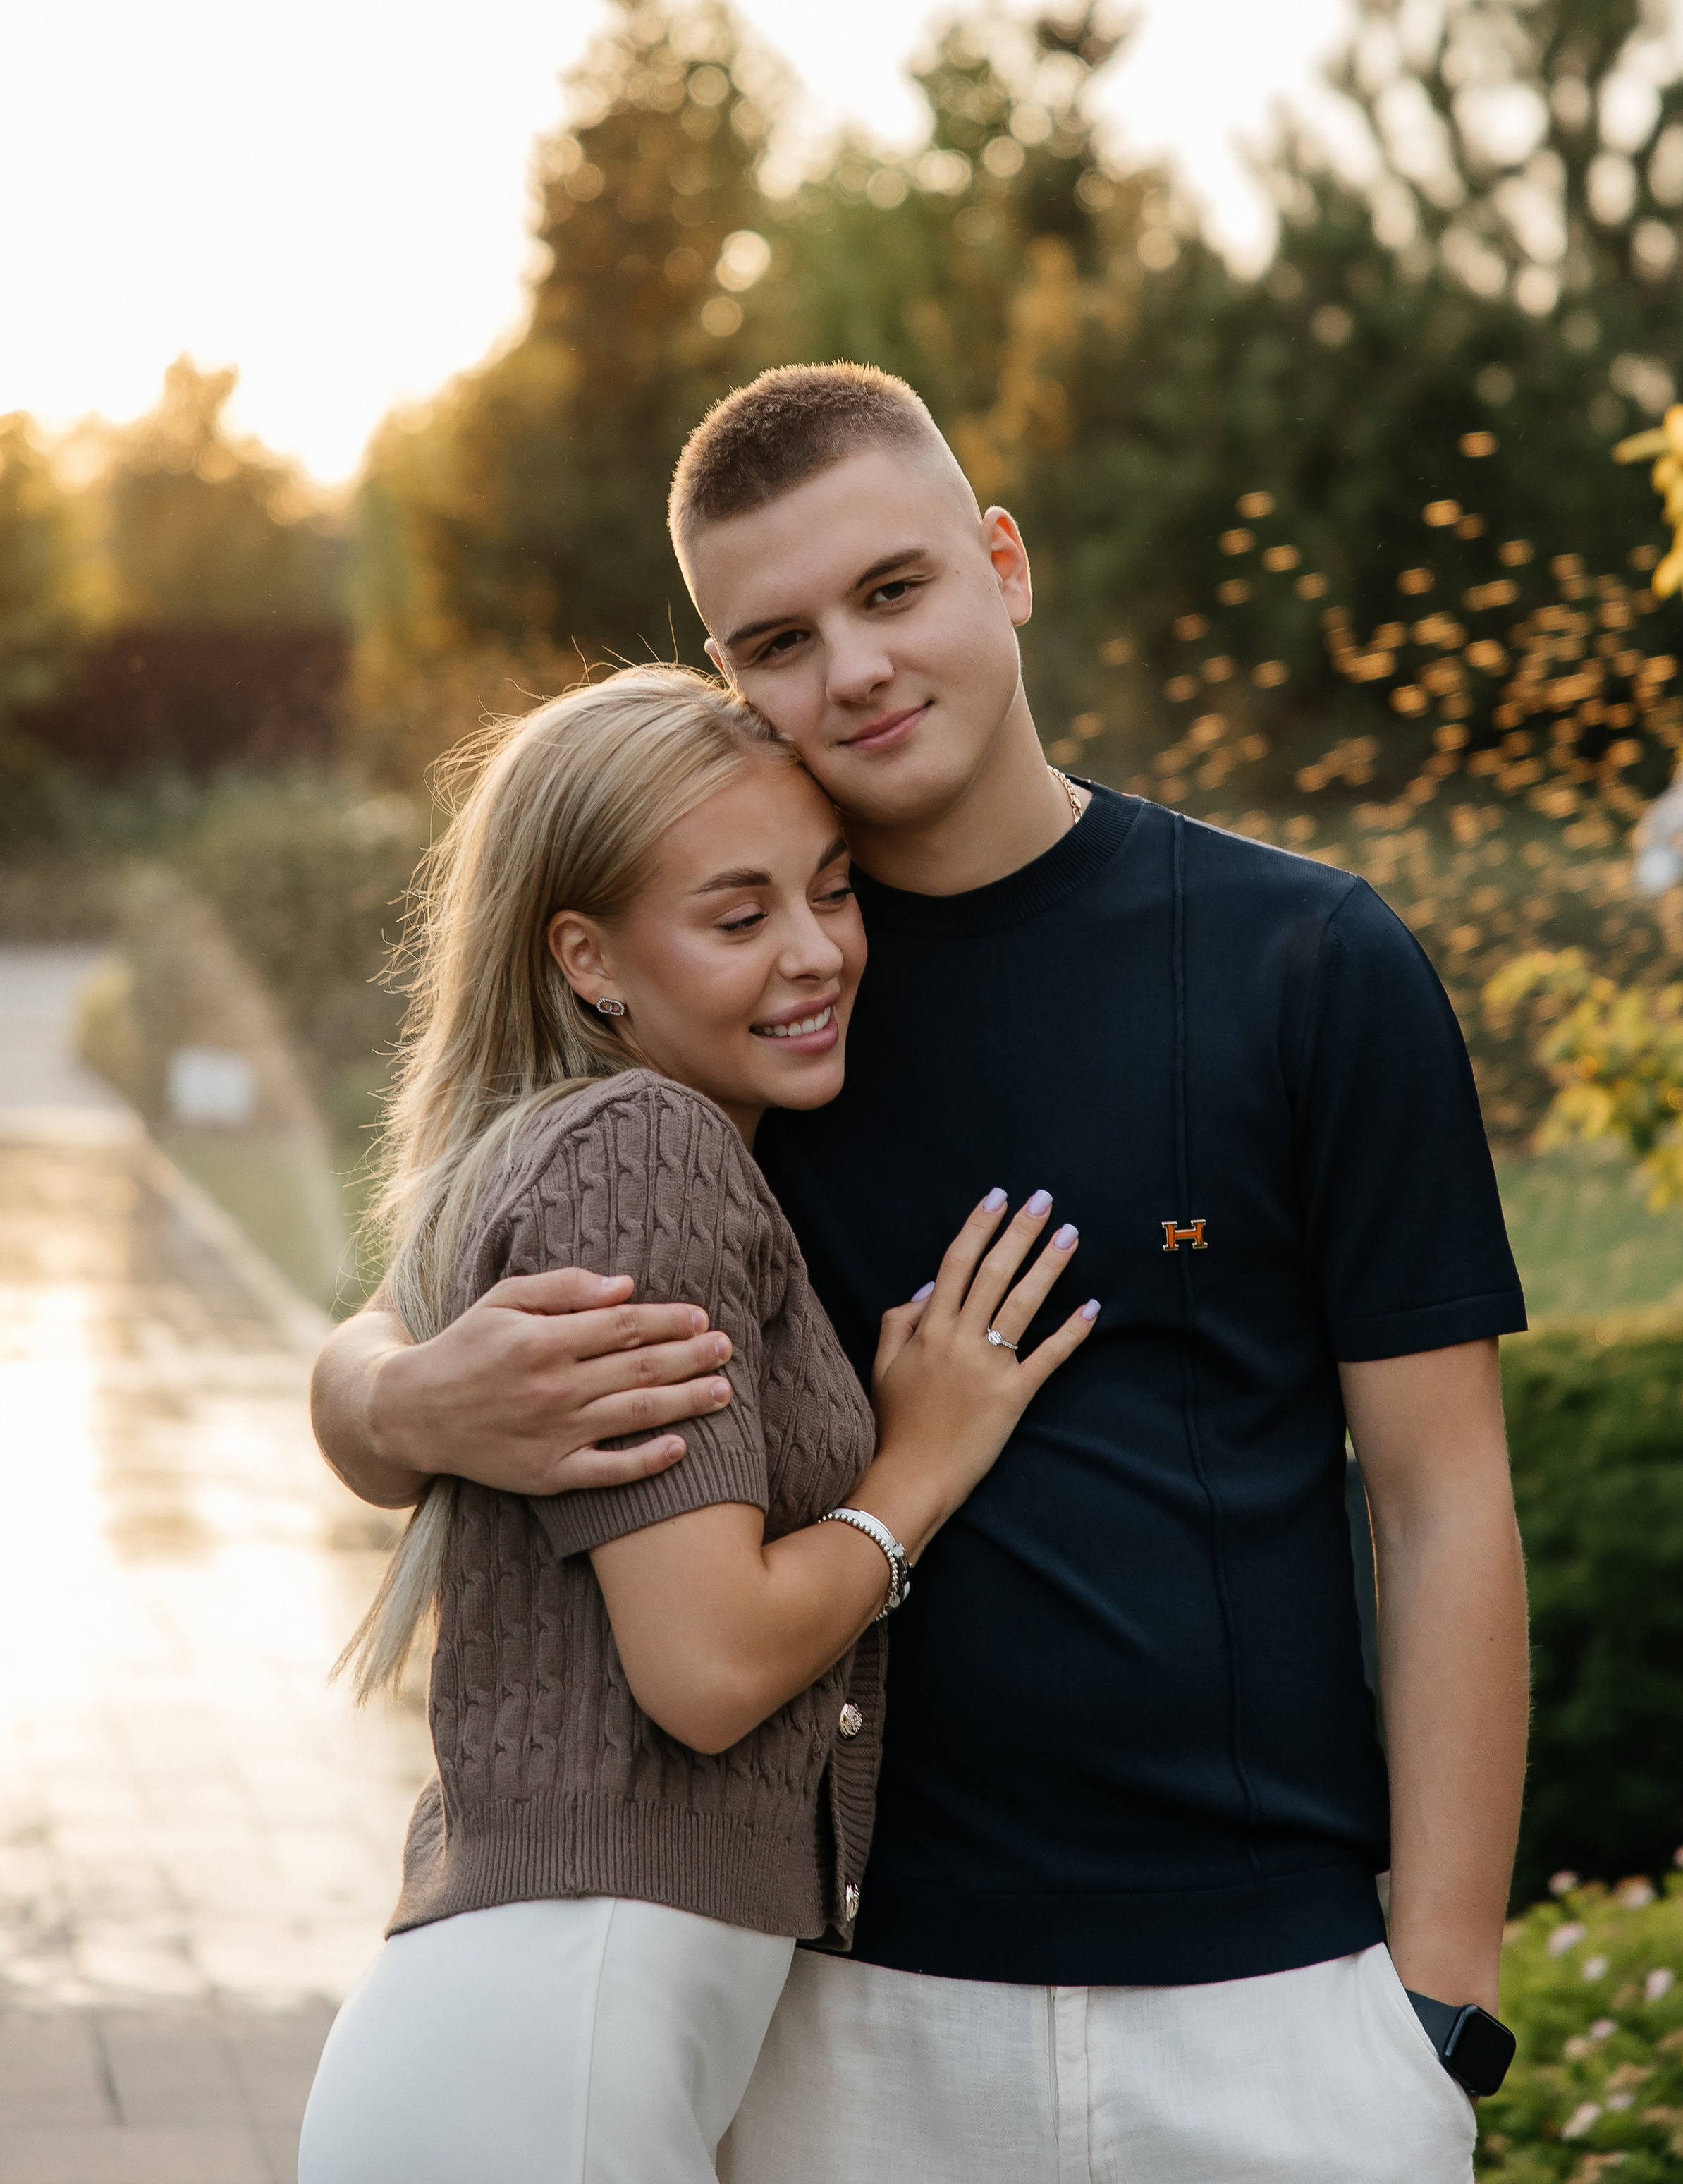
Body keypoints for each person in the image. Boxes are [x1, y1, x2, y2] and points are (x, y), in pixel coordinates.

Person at [312, 365, 1531, 2183]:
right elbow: (423, 1295)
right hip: (838, 2021)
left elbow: (1441, 1504)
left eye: (894, 592)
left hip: (1269, 2011)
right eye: (778, 642)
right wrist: (393, 1394)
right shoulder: (742, 1012)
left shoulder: (1307, 963)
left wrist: (1434, 2004)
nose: (854, 670)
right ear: (735, 681)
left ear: (1001, 565)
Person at [297, 665, 1094, 2184]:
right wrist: (915, 1465)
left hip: (555, 2036)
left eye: (832, 890)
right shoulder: (647, 1145)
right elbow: (709, 1668)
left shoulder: (606, 1148)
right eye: (737, 920)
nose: (813, 954)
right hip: (557, 2042)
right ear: (589, 959)